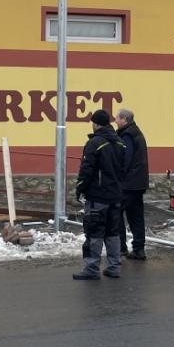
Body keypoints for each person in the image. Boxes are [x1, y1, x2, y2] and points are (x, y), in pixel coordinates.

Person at [72, 109, 126, 280]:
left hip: (98, 196)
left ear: (95, 124)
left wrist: (80, 188)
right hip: (116, 195)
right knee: (113, 232)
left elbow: (86, 169)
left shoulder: (94, 143)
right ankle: (114, 267)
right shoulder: (120, 143)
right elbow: (125, 168)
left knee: (94, 232)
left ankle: (92, 268)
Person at [115, 108, 149, 260]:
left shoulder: (128, 135)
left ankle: (121, 248)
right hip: (138, 182)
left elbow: (125, 158)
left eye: (117, 118)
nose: (115, 120)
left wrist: (119, 175)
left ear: (124, 119)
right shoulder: (136, 132)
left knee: (116, 212)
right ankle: (139, 249)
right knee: (136, 216)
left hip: (129, 183)